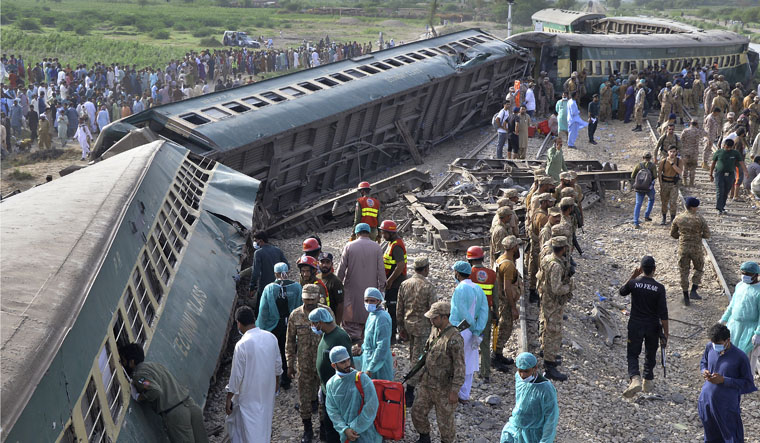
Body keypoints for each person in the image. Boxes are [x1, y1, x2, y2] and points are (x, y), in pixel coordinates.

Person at [117, 343, 208, 443]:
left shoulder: (139, 376)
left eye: (123, 361)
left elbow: (154, 390)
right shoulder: (156, 366)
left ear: (132, 362)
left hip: (176, 415)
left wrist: (139, 397)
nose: (122, 364)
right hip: (191, 405)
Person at [224, 306, 281, 443]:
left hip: (248, 395)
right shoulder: (271, 337)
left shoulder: (242, 344)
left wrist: (229, 397)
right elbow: (278, 367)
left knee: (249, 429)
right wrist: (276, 385)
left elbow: (236, 376)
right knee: (263, 425)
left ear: (238, 323)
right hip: (266, 392)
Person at [411, 301, 465, 443]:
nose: (431, 320)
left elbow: (460, 367)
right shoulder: (434, 330)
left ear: (444, 317)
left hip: (444, 388)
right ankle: (424, 437)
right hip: (427, 383)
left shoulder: (454, 339)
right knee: (417, 412)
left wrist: (454, 391)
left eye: (434, 318)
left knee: (445, 424)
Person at [286, 284, 332, 443]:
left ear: (318, 298)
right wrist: (289, 364)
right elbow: (290, 342)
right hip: (304, 365)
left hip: (322, 364)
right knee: (304, 398)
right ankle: (307, 429)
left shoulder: (326, 313)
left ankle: (323, 426)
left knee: (323, 398)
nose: (309, 303)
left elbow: (333, 334)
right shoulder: (295, 315)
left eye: (312, 300)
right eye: (306, 300)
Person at [618, 256, 669, 397]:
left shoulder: (634, 283)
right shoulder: (659, 288)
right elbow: (663, 313)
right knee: (650, 352)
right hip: (653, 326)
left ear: (641, 269)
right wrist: (666, 333)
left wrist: (633, 276)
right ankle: (648, 380)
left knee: (633, 354)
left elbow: (622, 291)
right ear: (654, 269)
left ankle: (635, 379)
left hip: (635, 325)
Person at [698, 324, 757, 443]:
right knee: (710, 435)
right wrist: (704, 371)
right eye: (713, 343)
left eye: (719, 343)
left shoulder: (740, 357)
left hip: (726, 405)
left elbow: (748, 383)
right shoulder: (710, 347)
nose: (716, 346)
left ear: (727, 340)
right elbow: (703, 363)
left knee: (730, 436)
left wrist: (724, 380)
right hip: (707, 401)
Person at [396, 256, 436, 406]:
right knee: (418, 359)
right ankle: (409, 390)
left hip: (408, 324)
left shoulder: (405, 284)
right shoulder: (428, 286)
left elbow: (399, 308)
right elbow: (433, 310)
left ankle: (416, 380)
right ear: (426, 269)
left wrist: (400, 327)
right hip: (422, 327)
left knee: (413, 354)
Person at [256, 262, 302, 390]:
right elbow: (300, 306)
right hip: (290, 324)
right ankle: (286, 380)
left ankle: (272, 379)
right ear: (288, 272)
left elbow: (263, 310)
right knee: (287, 351)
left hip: (274, 326)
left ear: (275, 273)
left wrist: (260, 328)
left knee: (272, 351)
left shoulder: (269, 289)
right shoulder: (297, 287)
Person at [336, 223, 386, 341]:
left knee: (351, 322)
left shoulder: (349, 246)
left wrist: (337, 286)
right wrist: (382, 289)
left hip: (351, 292)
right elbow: (381, 272)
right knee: (369, 322)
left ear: (357, 233)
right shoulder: (377, 247)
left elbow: (341, 269)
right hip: (371, 293)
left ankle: (354, 346)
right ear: (369, 233)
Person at [310, 307, 353, 443]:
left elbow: (348, 365)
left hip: (337, 392)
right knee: (328, 425)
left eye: (314, 323)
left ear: (321, 322)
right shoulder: (326, 334)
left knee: (335, 427)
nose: (313, 326)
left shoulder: (339, 336)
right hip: (326, 388)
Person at [449, 260, 489, 402]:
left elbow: (461, 311)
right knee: (470, 361)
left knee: (457, 361)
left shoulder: (460, 289)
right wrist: (477, 330)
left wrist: (471, 326)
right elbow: (484, 311)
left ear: (458, 273)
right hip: (474, 332)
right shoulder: (478, 289)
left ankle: (456, 392)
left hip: (461, 329)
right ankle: (465, 394)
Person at [324, 346, 381, 443]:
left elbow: (371, 406)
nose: (347, 364)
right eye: (342, 362)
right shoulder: (331, 384)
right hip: (347, 436)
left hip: (366, 434)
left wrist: (354, 429)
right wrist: (344, 429)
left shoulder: (362, 379)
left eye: (348, 360)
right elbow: (332, 410)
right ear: (334, 365)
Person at [499, 352, 559, 443]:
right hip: (514, 427)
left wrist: (545, 440)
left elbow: (551, 418)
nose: (523, 375)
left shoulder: (546, 389)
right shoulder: (519, 378)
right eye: (520, 371)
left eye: (526, 371)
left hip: (532, 435)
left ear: (535, 368)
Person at [537, 236, 572, 381]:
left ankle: (546, 354)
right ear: (563, 249)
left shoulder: (547, 259)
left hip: (546, 300)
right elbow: (557, 288)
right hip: (553, 303)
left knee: (547, 329)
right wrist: (570, 286)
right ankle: (549, 365)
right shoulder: (556, 266)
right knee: (553, 332)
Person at [670, 197, 711, 305]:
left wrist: (683, 236)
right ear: (693, 207)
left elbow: (673, 234)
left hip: (683, 248)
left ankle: (685, 296)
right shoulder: (700, 219)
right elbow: (707, 235)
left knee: (683, 271)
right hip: (696, 249)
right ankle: (693, 290)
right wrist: (698, 235)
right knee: (699, 268)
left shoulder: (678, 218)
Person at [467, 246, 499, 381]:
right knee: (485, 343)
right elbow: (496, 296)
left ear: (469, 260)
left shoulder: (467, 273)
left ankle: (468, 371)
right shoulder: (492, 274)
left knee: (468, 342)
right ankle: (485, 373)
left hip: (471, 314)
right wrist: (496, 313)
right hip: (486, 313)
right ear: (483, 258)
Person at [494, 236, 523, 369]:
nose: (518, 248)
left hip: (500, 299)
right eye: (517, 246)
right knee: (504, 328)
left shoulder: (501, 259)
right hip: (505, 302)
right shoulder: (508, 265)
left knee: (503, 327)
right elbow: (507, 288)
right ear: (513, 248)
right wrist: (513, 307)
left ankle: (498, 354)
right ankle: (496, 355)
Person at [719, 261, 760, 357]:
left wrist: (758, 333)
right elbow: (732, 305)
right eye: (742, 273)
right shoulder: (740, 286)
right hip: (734, 326)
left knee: (746, 359)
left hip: (749, 330)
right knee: (730, 354)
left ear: (756, 275)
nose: (744, 276)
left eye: (747, 274)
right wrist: (724, 319)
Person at [248, 231, 288, 318]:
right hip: (279, 286)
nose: (254, 242)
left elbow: (256, 272)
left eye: (255, 240)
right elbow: (287, 266)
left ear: (261, 241)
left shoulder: (258, 253)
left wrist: (252, 287)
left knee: (261, 311)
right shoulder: (278, 251)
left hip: (264, 287)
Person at [356, 287, 394, 380]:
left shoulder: (382, 318)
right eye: (366, 300)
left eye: (372, 301)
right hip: (369, 358)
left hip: (379, 363)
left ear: (379, 301)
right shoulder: (372, 315)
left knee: (380, 390)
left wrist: (371, 368)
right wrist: (362, 349)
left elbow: (382, 346)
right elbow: (368, 336)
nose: (369, 303)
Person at [379, 219, 407, 342]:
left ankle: (392, 337)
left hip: (395, 284)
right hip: (392, 283)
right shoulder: (392, 243)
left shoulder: (396, 246)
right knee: (391, 309)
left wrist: (390, 281)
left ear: (390, 233)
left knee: (392, 310)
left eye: (384, 233)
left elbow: (400, 265)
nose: (382, 235)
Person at [710, 138, 747, 214]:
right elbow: (713, 163)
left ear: (732, 147)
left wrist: (745, 171)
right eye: (727, 147)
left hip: (730, 174)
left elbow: (741, 162)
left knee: (726, 191)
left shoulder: (735, 153)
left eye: (730, 147)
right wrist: (710, 174)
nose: (728, 149)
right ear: (724, 146)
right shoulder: (719, 152)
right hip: (719, 174)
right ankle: (719, 208)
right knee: (720, 191)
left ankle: (722, 207)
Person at [631, 152, 657, 228]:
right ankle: (646, 215)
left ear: (643, 157)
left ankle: (635, 222)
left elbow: (632, 175)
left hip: (639, 188)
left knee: (638, 204)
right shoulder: (652, 166)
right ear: (650, 158)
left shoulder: (638, 165)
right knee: (651, 199)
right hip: (649, 187)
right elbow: (655, 176)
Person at [318, 252, 345, 325]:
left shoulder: (336, 282)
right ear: (318, 263)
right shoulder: (316, 278)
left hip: (330, 320)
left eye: (327, 262)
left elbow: (340, 304)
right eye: (322, 262)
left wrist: (337, 324)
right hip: (318, 318)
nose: (324, 265)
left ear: (331, 264)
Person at [658, 145, 683, 225]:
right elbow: (659, 172)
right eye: (670, 151)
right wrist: (661, 183)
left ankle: (672, 219)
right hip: (665, 183)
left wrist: (672, 163)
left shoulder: (679, 161)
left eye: (674, 152)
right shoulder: (663, 161)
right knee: (664, 202)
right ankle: (664, 218)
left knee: (673, 202)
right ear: (668, 152)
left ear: (676, 152)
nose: (672, 153)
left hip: (674, 184)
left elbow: (679, 171)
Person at [680, 119, 708, 186]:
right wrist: (700, 128)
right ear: (697, 124)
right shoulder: (698, 131)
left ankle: (684, 181)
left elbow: (681, 140)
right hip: (694, 153)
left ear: (690, 123)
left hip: (686, 152)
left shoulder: (685, 131)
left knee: (685, 167)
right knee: (693, 167)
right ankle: (691, 182)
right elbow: (706, 134)